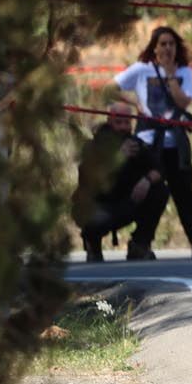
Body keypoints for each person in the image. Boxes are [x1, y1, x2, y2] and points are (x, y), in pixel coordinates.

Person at [113, 25, 192, 258]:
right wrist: (134, 104)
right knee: (153, 191)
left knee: (185, 194)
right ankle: (140, 243)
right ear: (154, 48)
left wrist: (170, 76)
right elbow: (110, 88)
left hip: (175, 143)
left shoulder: (184, 72)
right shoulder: (141, 70)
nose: (168, 48)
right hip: (148, 143)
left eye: (172, 44)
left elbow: (183, 103)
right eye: (163, 44)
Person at [73, 101, 169, 263]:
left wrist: (146, 180)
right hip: (99, 205)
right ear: (109, 122)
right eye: (119, 122)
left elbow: (160, 169)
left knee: (159, 190)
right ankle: (92, 244)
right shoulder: (94, 147)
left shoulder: (136, 144)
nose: (124, 127)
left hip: (127, 202)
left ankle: (140, 244)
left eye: (127, 122)